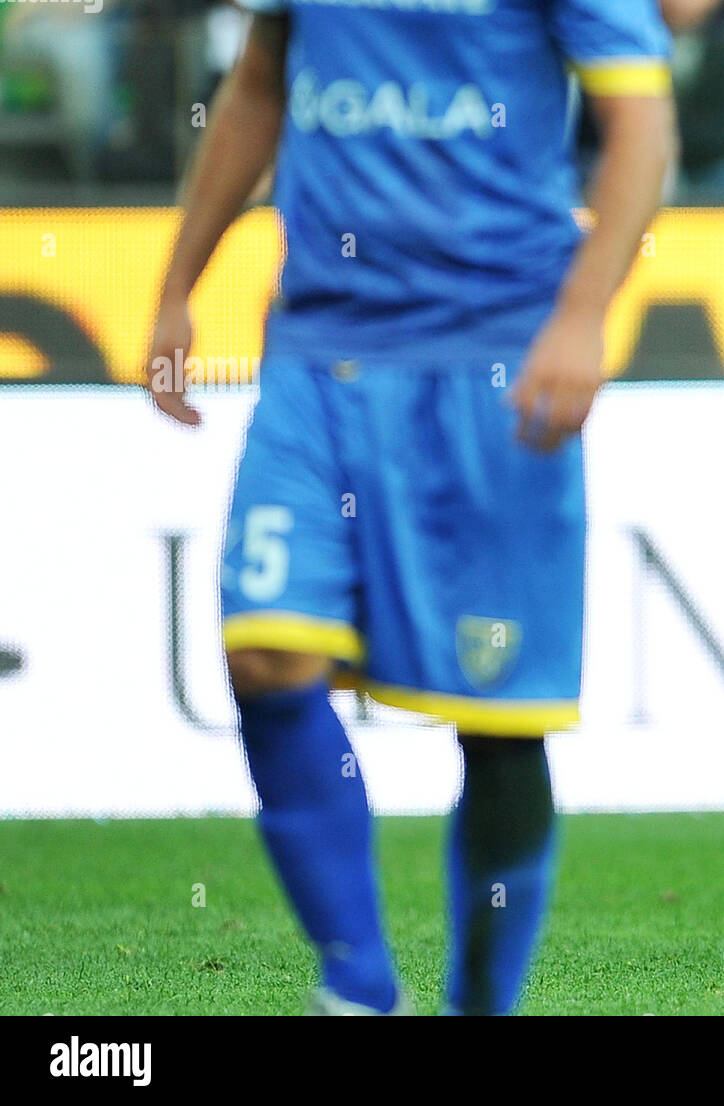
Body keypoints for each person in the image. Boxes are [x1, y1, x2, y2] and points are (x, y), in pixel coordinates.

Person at [145, 1, 675, 1014]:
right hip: (319, 348)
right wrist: (178, 285)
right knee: (263, 648)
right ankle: (356, 980)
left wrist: (580, 314)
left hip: (495, 357)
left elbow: (640, 126)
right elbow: (259, 80)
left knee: (501, 719)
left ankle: (479, 1004)